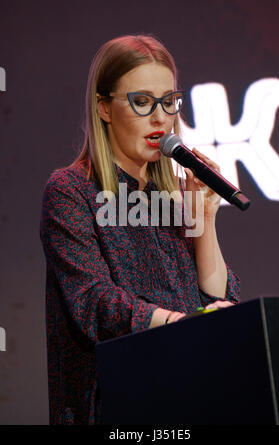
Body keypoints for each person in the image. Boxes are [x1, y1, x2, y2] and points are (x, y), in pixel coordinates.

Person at [39, 34, 240, 425]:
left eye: (169, 102)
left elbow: (216, 298)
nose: (160, 118)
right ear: (104, 108)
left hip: (186, 395)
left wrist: (206, 220)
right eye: (142, 102)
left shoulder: (178, 195)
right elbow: (94, 302)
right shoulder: (71, 190)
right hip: (110, 403)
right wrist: (180, 322)